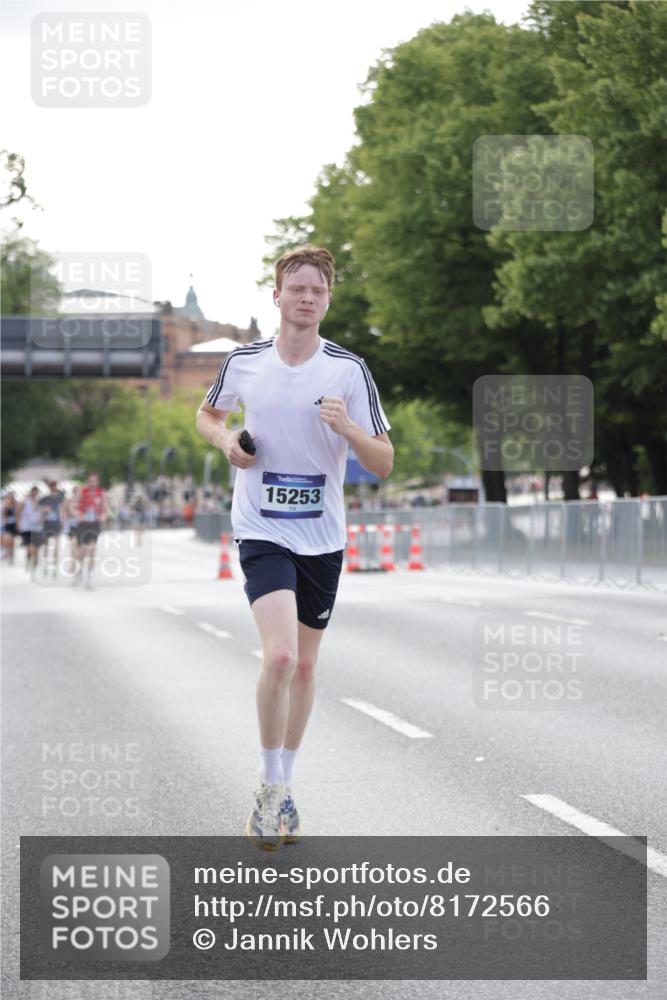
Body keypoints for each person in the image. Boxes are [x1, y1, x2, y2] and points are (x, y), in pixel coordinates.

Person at [195, 245, 393, 849]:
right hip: (262, 526)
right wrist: (227, 442)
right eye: (297, 288)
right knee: (279, 658)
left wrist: (349, 428)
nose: (307, 298)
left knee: (306, 667)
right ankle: (268, 787)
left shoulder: (349, 370)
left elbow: (383, 462)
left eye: (318, 290)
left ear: (328, 300)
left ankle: (286, 782)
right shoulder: (244, 361)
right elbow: (207, 416)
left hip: (322, 535)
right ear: (277, 296)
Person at [75, 473, 108, 589]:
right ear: (88, 481)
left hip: (95, 524)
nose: (92, 483)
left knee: (92, 550)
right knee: (82, 552)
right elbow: (74, 506)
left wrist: (104, 516)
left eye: (94, 481)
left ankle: (89, 578)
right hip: (83, 524)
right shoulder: (82, 492)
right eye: (90, 480)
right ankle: (79, 569)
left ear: (97, 482)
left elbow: (105, 507)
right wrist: (79, 515)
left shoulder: (101, 493)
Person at [39, 480, 65, 576]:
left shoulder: (60, 498)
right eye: (51, 487)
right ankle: (46, 565)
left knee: (56, 546)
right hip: (47, 524)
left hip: (56, 524)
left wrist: (63, 522)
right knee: (46, 546)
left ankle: (54, 567)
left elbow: (63, 509)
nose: (53, 488)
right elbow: (38, 508)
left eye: (55, 486)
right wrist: (44, 510)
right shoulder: (45, 499)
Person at [17, 486, 44, 575]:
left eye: (36, 493)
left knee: (36, 546)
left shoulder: (39, 502)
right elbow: (18, 512)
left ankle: (35, 560)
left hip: (37, 527)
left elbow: (42, 514)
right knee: (29, 545)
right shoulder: (25, 502)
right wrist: (18, 523)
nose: (35, 494)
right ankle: (29, 559)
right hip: (27, 527)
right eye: (33, 492)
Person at [1, 492, 19, 564]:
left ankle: (11, 556)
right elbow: (4, 515)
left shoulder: (15, 505)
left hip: (13, 525)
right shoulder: (5, 506)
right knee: (8, 540)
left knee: (12, 542)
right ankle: (7, 553)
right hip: (8, 525)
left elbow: (17, 515)